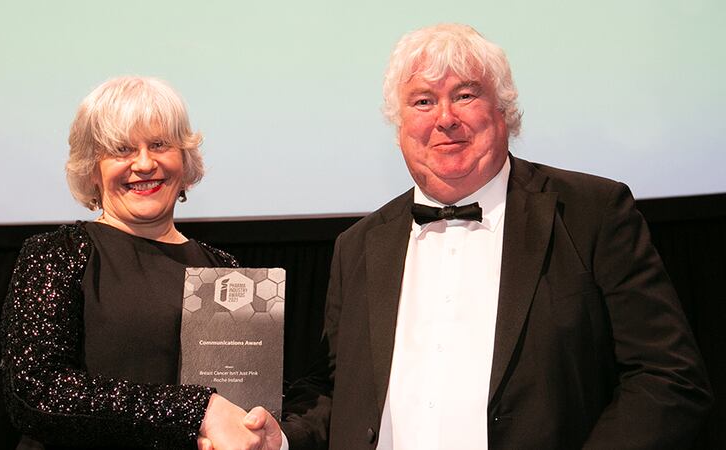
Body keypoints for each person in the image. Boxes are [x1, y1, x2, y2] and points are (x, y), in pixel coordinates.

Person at [280, 24, 713, 449]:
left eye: (465, 95)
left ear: (504, 110)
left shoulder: (592, 213)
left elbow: (668, 378)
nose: (445, 119)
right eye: (423, 101)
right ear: (399, 128)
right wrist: (281, 438)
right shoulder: (357, 245)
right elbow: (333, 392)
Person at [0, 76, 282, 449]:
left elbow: (247, 396)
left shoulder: (222, 268)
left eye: (160, 145)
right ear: (92, 168)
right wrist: (198, 411)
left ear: (185, 159)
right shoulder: (59, 253)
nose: (145, 164)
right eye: (122, 149)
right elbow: (36, 392)